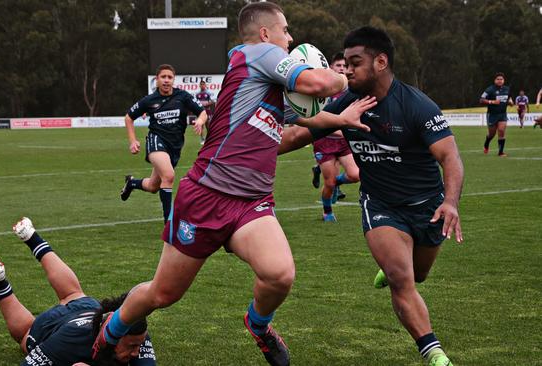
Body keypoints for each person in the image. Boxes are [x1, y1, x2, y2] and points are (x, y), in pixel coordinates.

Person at [92, 3, 373, 366]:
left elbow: (285, 138)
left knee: (280, 275)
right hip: (206, 195)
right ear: (266, 34)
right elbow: (318, 83)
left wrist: (338, 120)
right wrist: (342, 77)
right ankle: (107, 334)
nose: (291, 38)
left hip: (250, 202)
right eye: (286, 30)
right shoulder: (257, 54)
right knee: (163, 294)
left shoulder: (266, 87)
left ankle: (258, 326)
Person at [279, 26, 464, 366]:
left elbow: (450, 157)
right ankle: (434, 354)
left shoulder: (416, 105)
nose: (346, 70)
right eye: (344, 63)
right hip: (380, 205)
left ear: (381, 62)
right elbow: (294, 137)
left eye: (354, 62)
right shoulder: (346, 104)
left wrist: (450, 201)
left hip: (427, 206)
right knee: (400, 277)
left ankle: (394, 266)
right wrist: (250, 150)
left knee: (417, 274)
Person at [0, 217, 156, 366]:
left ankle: (32, 237)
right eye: (132, 346)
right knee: (24, 336)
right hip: (55, 327)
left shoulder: (134, 326)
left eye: (139, 345)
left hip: (90, 309)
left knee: (73, 293)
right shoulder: (69, 342)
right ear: (112, 335)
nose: (136, 352)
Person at [120, 64, 208, 223]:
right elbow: (128, 117)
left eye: (170, 77)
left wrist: (200, 121)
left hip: (174, 146)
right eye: (163, 77)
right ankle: (169, 222)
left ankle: (132, 183)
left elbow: (202, 112)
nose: (166, 80)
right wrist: (133, 141)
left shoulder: (183, 96)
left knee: (154, 186)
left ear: (173, 80)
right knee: (168, 175)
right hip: (156, 141)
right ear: (157, 80)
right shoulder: (149, 100)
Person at [307, 52, 360, 221]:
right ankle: (327, 212)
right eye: (338, 66)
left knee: (355, 175)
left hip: (343, 143)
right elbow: (320, 121)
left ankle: (334, 181)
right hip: (325, 143)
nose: (342, 69)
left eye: (345, 66)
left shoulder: (349, 90)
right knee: (328, 184)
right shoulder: (324, 91)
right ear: (330, 68)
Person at [479, 72, 513, 157]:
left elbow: (509, 98)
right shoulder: (490, 89)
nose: (499, 81)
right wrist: (492, 101)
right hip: (492, 115)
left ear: (503, 80)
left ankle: (500, 152)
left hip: (502, 114)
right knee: (492, 134)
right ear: (495, 80)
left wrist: (511, 102)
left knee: (501, 131)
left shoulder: (507, 89)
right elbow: (481, 100)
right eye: (498, 79)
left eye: (501, 79)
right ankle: (486, 143)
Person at [195, 80, 215, 145]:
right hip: (200, 111)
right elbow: (196, 102)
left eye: (203, 84)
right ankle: (202, 139)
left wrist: (207, 104)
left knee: (208, 125)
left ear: (205, 85)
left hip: (207, 111)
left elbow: (212, 101)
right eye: (201, 84)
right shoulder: (197, 94)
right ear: (199, 85)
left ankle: (209, 138)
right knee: (201, 125)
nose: (202, 86)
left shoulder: (208, 93)